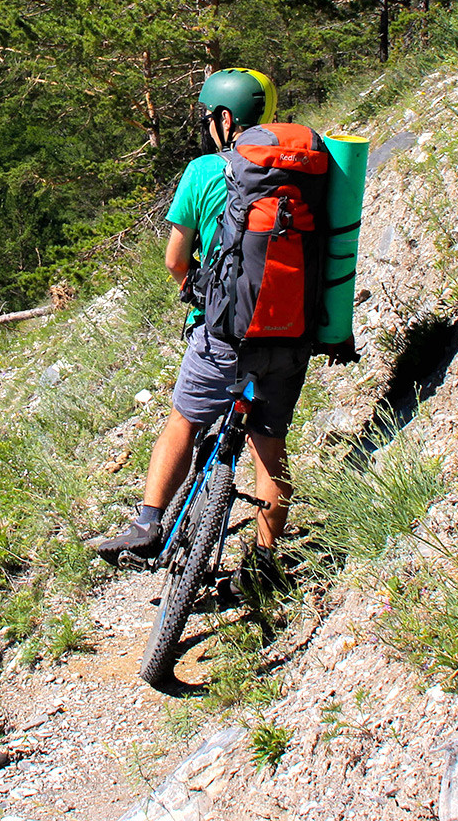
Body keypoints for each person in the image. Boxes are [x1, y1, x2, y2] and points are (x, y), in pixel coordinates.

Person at [88, 68, 310, 590]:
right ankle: (264, 562)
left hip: (226, 334)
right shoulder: (305, 173)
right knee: (269, 447)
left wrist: (195, 288)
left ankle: (146, 524)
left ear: (225, 119)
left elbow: (173, 259)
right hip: (291, 334)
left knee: (184, 420)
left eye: (212, 117)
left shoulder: (204, 170)